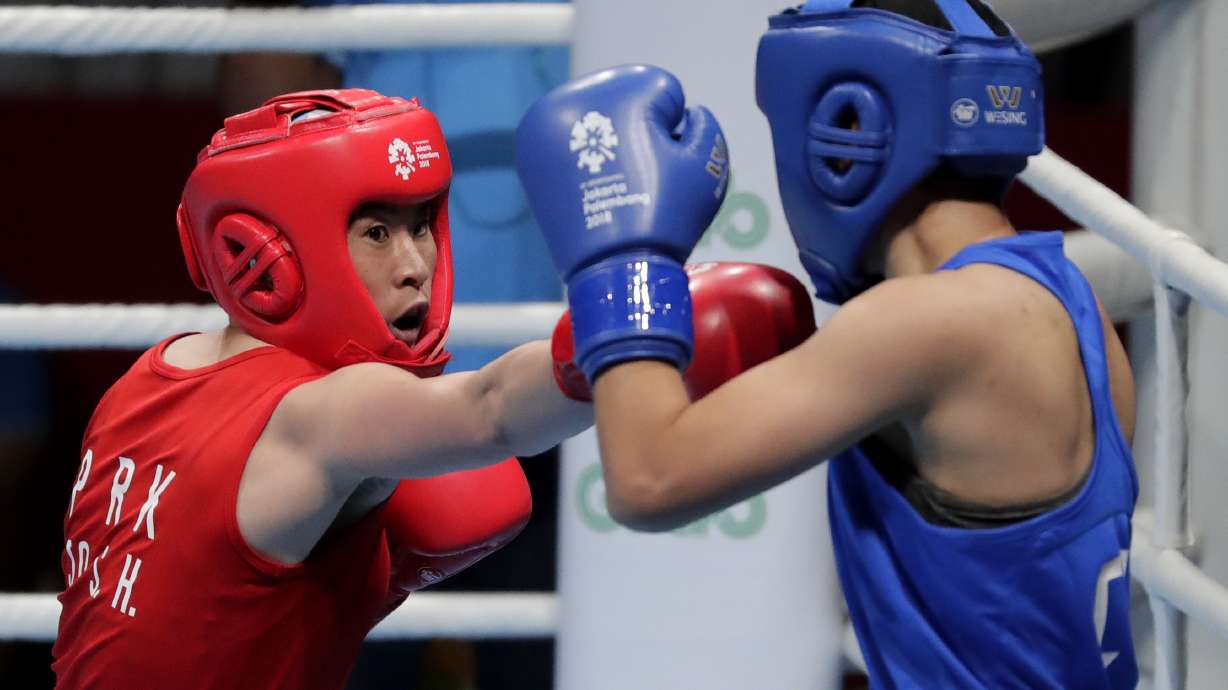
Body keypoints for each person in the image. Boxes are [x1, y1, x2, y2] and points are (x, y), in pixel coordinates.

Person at [50, 87, 808, 689]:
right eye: (376, 232)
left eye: (422, 224)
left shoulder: (152, 374)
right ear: (265, 250)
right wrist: (637, 293)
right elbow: (489, 410)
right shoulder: (322, 415)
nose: (416, 263)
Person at [517, 2, 1139, 688]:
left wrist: (624, 258)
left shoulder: (932, 322)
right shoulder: (1073, 308)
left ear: (849, 122)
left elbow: (648, 479)